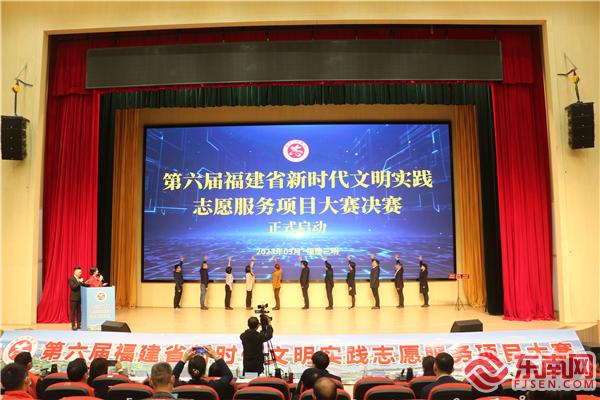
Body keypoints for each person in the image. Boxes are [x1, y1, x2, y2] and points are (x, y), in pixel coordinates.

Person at [68, 266, 87, 330]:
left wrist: (87, 283)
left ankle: (79, 325)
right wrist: (80, 282)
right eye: (79, 272)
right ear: (75, 272)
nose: (81, 273)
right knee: (73, 312)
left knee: (79, 312)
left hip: (80, 298)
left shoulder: (80, 279)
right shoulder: (71, 279)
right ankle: (73, 325)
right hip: (73, 299)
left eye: (81, 272)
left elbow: (84, 285)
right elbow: (73, 287)